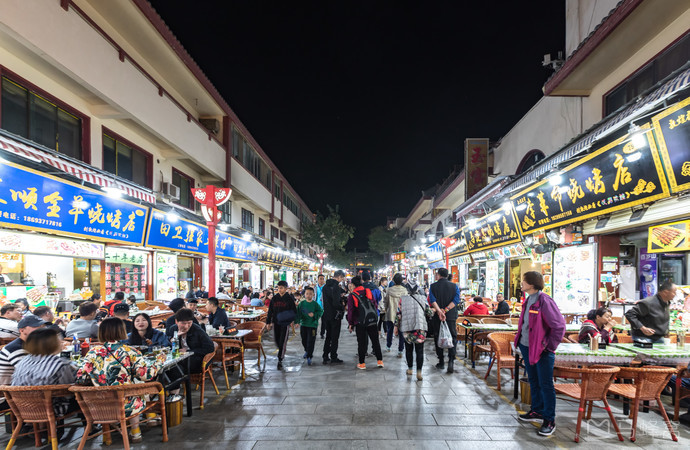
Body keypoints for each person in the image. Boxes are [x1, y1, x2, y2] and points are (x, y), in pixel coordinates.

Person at [77, 318, 167, 443]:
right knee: (135, 390)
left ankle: (110, 433)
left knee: (129, 388)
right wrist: (159, 362)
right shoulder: (130, 351)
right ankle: (136, 431)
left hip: (97, 405)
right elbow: (146, 375)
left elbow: (80, 378)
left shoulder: (92, 352)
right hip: (126, 405)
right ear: (122, 332)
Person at [514, 271, 565, 437]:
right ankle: (536, 410)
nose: (521, 283)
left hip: (541, 350)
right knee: (533, 380)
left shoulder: (545, 301)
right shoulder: (528, 300)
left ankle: (549, 419)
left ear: (532, 283)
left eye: (524, 281)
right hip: (526, 346)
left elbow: (558, 326)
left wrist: (549, 347)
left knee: (546, 384)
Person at [12, 328, 76, 416]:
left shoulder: (23, 361)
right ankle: (90, 428)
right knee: (83, 398)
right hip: (50, 409)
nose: (62, 342)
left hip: (22, 408)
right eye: (59, 340)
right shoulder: (60, 363)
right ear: (53, 344)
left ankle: (41, 427)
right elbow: (70, 389)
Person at [428, 268, 461, 373]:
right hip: (450, 316)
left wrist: (439, 311)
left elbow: (432, 300)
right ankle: (451, 360)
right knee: (452, 336)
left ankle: (441, 361)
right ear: (447, 275)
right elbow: (456, 300)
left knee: (438, 336)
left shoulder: (433, 286)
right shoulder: (454, 286)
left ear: (438, 275)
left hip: (438, 316)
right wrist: (446, 310)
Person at [347, 276, 384, 369]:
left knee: (362, 342)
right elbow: (375, 304)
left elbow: (351, 311)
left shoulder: (352, 296)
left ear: (353, 284)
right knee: (375, 341)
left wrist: (350, 323)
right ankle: (380, 361)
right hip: (372, 320)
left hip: (360, 322)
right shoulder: (368, 291)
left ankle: (362, 363)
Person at [0, 315, 46, 386]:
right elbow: (31, 373)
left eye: (42, 326)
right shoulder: (16, 348)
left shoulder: (29, 345)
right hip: (12, 392)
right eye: (36, 326)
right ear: (22, 330)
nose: (41, 329)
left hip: (22, 387)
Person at [166, 308, 214, 374]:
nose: (186, 326)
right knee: (170, 367)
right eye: (183, 323)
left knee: (174, 368)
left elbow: (210, 348)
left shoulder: (197, 330)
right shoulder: (173, 329)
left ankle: (181, 381)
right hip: (179, 359)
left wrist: (188, 351)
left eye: (189, 323)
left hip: (197, 359)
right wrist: (175, 338)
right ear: (176, 321)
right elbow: (167, 347)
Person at [397, 284, 429, 381]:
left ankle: (410, 369)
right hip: (420, 329)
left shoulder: (402, 299)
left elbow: (398, 314)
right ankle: (419, 372)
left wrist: (395, 326)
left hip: (407, 329)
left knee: (408, 349)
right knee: (420, 351)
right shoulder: (423, 298)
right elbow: (429, 313)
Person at [266, 281, 297, 370]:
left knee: (283, 340)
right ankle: (281, 351)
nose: (280, 290)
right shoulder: (275, 298)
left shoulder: (289, 299)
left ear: (286, 289)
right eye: (279, 288)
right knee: (277, 340)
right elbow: (270, 311)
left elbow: (294, 310)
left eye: (282, 288)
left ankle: (280, 358)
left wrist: (291, 320)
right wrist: (268, 322)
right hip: (276, 322)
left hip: (285, 323)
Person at [322, 270, 347, 365]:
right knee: (335, 336)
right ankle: (333, 356)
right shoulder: (336, 287)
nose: (342, 280)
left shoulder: (325, 287)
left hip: (326, 315)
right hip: (335, 315)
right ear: (339, 277)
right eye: (342, 278)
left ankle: (325, 355)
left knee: (328, 336)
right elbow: (336, 303)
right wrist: (342, 307)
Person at [295, 286, 323, 366]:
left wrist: (314, 315)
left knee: (311, 340)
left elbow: (321, 311)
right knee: (304, 340)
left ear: (313, 295)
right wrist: (297, 322)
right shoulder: (302, 304)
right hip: (304, 324)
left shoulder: (315, 304)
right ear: (304, 294)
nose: (308, 295)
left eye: (310, 294)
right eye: (307, 294)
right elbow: (298, 313)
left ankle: (309, 356)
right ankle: (307, 351)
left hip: (313, 325)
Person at [382, 273, 407, 357]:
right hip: (401, 314)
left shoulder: (389, 290)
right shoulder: (404, 290)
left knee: (390, 330)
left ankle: (388, 346)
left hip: (391, 313)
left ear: (393, 280)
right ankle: (400, 350)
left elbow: (385, 302)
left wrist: (386, 309)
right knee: (401, 332)